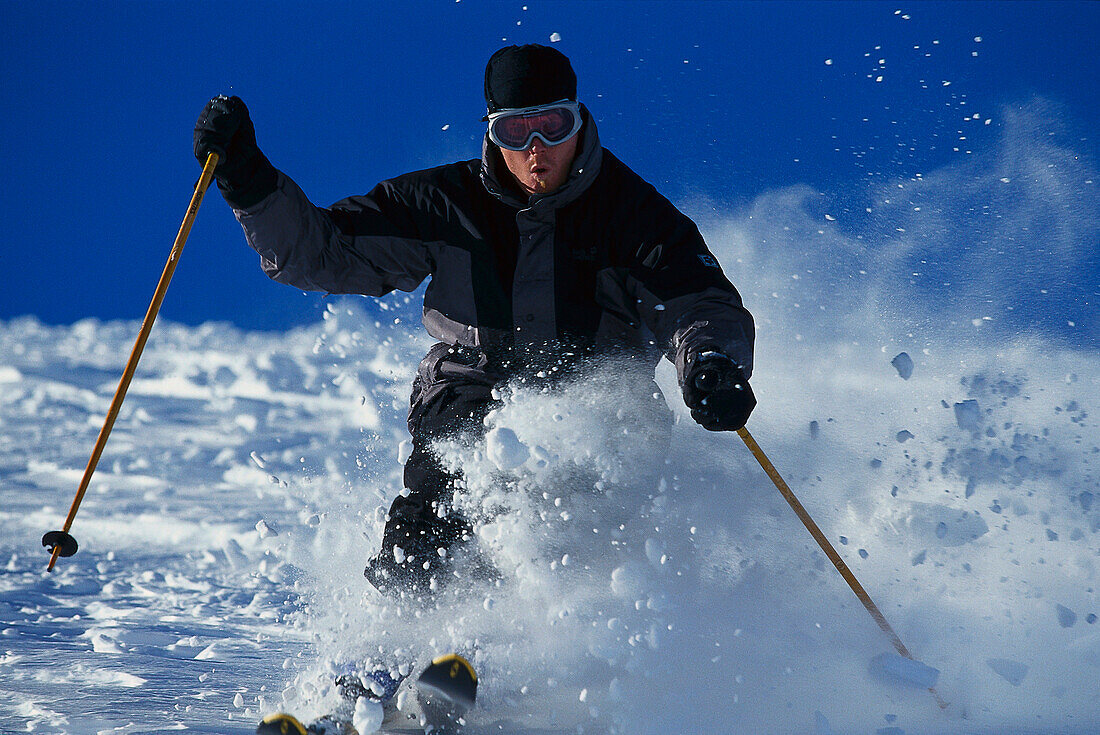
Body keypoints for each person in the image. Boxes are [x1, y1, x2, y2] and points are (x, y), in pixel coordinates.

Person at [194, 44, 756, 600]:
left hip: (597, 409)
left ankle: (546, 650)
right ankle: (395, 646)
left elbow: (700, 303)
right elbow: (325, 251)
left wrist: (711, 362)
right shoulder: (448, 203)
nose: (537, 150)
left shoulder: (635, 218)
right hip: (471, 385)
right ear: (493, 132)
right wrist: (250, 183)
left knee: (580, 504)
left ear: (579, 120)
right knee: (440, 497)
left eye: (553, 126)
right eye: (517, 132)